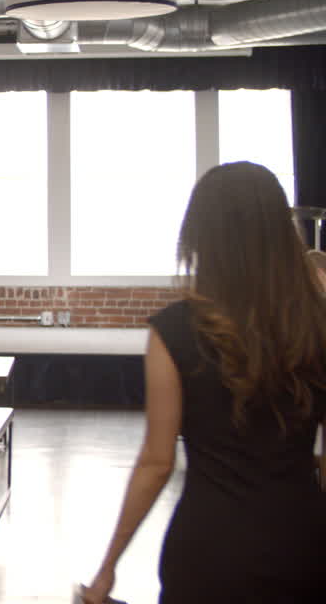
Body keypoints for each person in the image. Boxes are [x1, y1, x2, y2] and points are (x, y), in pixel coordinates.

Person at [81, 162, 326, 604]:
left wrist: (107, 568)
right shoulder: (318, 325)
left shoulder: (174, 331)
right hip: (303, 544)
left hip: (209, 552)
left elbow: (157, 463)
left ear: (200, 236)